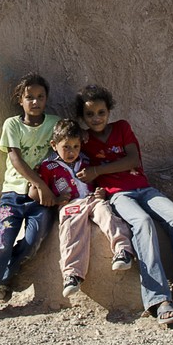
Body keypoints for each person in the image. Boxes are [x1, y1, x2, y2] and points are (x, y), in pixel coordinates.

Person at [73, 83, 173, 327]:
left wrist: (97, 170)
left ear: (109, 111)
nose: (96, 118)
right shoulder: (83, 140)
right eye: (89, 114)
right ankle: (158, 299)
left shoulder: (122, 128)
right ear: (82, 116)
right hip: (118, 195)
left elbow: (133, 159)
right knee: (142, 223)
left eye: (101, 112)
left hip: (144, 188)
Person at [0, 73, 60, 324]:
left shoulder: (54, 123)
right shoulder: (12, 125)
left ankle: (3, 278)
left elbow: (64, 149)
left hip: (41, 199)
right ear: (20, 99)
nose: (35, 102)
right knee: (2, 241)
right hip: (14, 195)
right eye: (29, 97)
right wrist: (40, 184)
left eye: (40, 97)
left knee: (33, 240)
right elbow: (16, 160)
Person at [29, 118, 135, 298]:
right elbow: (33, 192)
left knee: (106, 213)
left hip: (91, 199)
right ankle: (72, 274)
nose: (72, 152)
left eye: (76, 147)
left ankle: (123, 250)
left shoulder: (85, 161)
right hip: (70, 205)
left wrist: (101, 193)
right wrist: (54, 200)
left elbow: (99, 181)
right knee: (71, 229)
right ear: (54, 145)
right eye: (66, 147)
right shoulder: (48, 166)